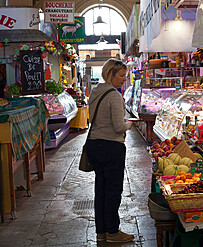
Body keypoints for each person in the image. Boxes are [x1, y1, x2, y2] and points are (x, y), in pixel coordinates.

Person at [86, 58, 134, 243]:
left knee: (101, 190)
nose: (123, 79)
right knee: (113, 191)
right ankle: (113, 232)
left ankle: (102, 232)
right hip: (111, 147)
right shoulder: (113, 95)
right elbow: (118, 127)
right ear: (110, 74)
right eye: (121, 75)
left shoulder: (95, 92)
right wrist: (129, 124)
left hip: (95, 145)